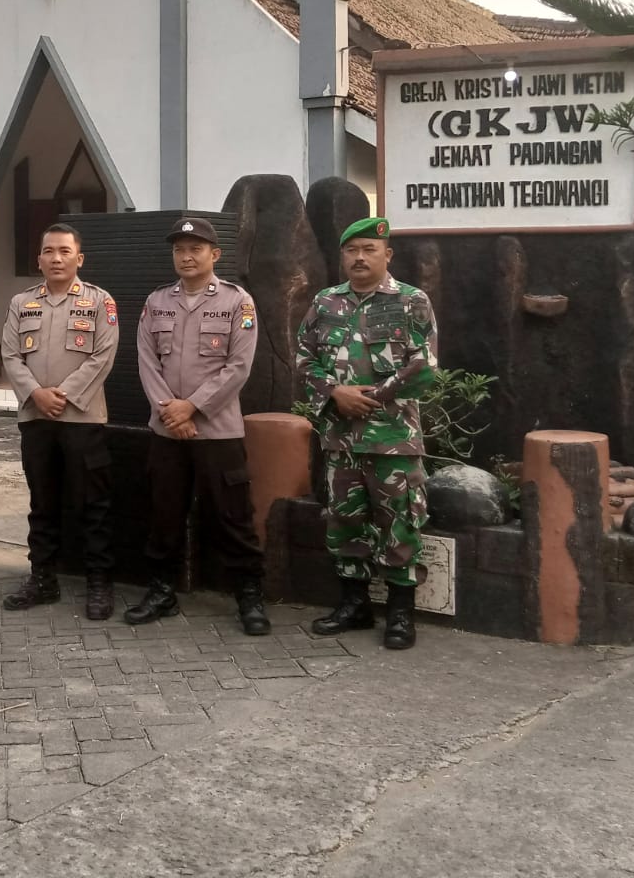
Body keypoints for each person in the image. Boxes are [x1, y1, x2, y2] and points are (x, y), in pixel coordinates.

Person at [294, 216, 438, 650]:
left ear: (386, 255)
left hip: (392, 437)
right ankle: (353, 605)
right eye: (352, 250)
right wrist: (336, 392)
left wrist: (371, 396)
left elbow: (423, 365)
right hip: (340, 438)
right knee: (344, 521)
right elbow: (304, 357)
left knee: (400, 523)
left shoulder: (411, 301)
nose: (359, 257)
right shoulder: (325, 303)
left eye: (369, 250)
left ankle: (399, 613)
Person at [124, 218, 270, 635]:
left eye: (195, 249)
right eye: (179, 250)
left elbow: (238, 367)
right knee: (164, 513)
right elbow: (147, 361)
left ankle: (249, 595)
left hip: (218, 431)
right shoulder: (157, 302)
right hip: (167, 430)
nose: (186, 257)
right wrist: (170, 411)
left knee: (232, 515)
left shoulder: (237, 302)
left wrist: (193, 409)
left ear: (215, 255)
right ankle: (161, 590)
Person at [0, 223, 120, 619]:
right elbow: (11, 355)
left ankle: (99, 583)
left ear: (78, 258)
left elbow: (103, 355)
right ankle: (42, 579)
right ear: (39, 258)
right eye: (48, 251)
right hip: (36, 419)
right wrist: (36, 394)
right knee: (42, 503)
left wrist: (62, 395)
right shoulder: (22, 303)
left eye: (64, 251)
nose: (56, 258)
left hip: (82, 419)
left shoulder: (100, 302)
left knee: (94, 505)